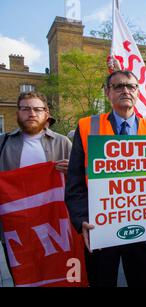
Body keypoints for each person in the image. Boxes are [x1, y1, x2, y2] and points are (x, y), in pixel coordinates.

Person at [64, 70, 146, 287]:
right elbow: (74, 182)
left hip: (142, 226)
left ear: (138, 93)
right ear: (107, 92)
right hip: (99, 228)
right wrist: (80, 219)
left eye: (131, 86)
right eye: (119, 86)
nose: (126, 91)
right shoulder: (86, 127)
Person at [0, 91, 72, 278]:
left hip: (54, 224)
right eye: (26, 109)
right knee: (24, 275)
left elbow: (81, 181)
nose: (31, 113)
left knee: (57, 273)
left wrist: (72, 171)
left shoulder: (62, 142)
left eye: (37, 109)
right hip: (16, 227)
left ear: (46, 113)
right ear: (18, 113)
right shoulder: (3, 143)